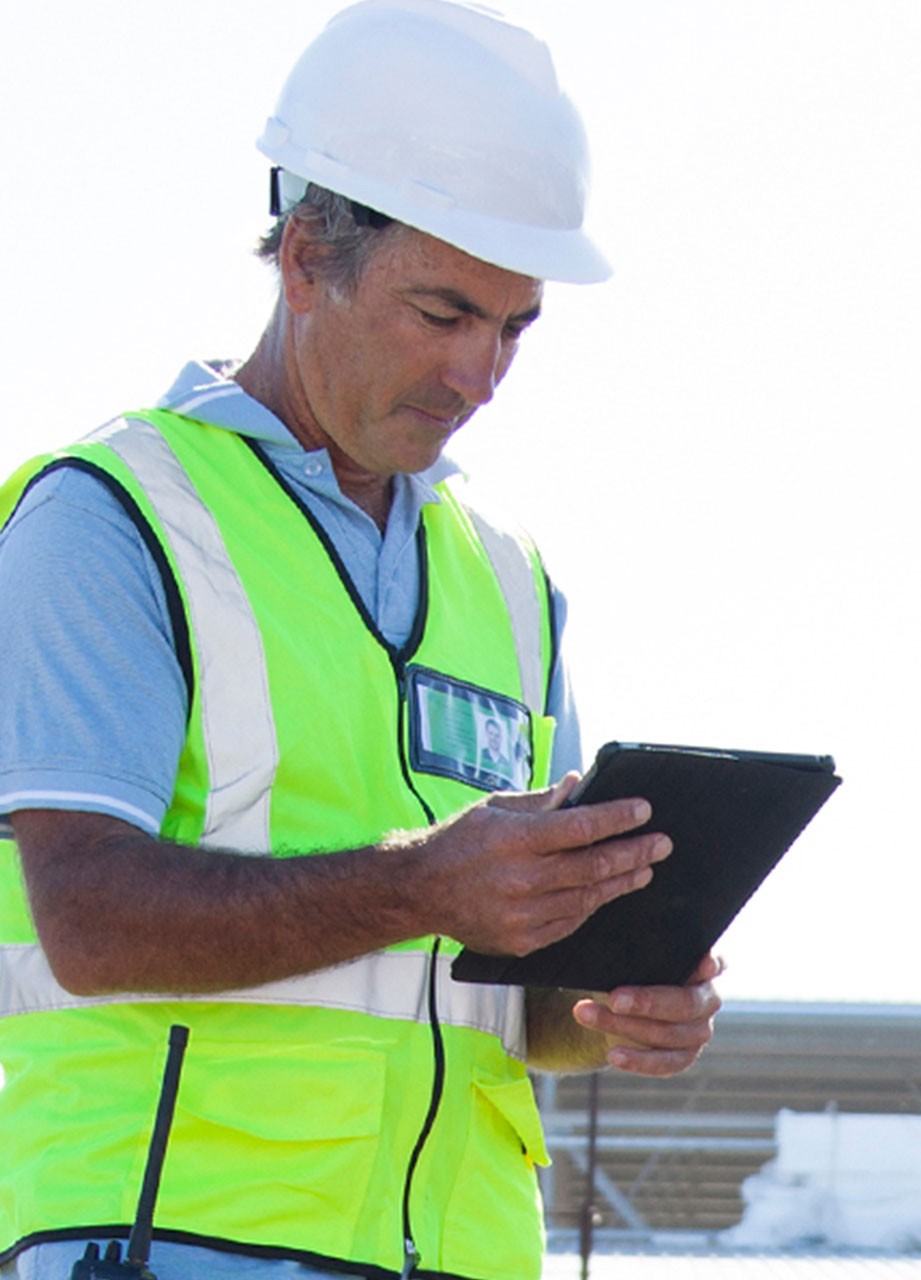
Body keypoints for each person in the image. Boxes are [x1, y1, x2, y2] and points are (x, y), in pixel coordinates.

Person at [0, 3, 721, 1278]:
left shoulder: (511, 581)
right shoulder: (111, 516)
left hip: (457, 1252)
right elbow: (89, 923)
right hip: (171, 1237)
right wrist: (422, 882)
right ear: (302, 256)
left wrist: (605, 1006)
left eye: (513, 326)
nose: (479, 370)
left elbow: (509, 999)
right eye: (441, 312)